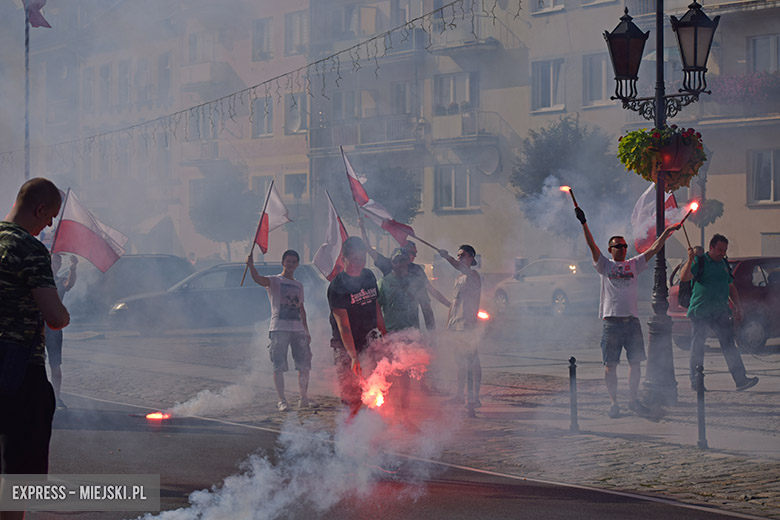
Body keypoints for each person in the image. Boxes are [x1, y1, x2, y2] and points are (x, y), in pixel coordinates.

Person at [1, 178, 70, 520]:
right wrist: (64, 313)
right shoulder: (29, 249)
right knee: (17, 475)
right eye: (51, 216)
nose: (51, 224)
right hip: (17, 371)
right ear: (40, 209)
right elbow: (55, 317)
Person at [576, 205, 680, 418]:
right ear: (610, 249)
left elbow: (654, 249)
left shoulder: (633, 264)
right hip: (612, 322)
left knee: (635, 363)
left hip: (632, 322)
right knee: (610, 365)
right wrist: (584, 222)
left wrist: (668, 232)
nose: (622, 249)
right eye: (618, 246)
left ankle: (632, 400)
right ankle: (614, 403)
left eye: (624, 246)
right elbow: (591, 245)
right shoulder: (605, 265)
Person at [680, 234, 759, 392]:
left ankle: (741, 380)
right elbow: (684, 277)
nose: (722, 253)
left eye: (724, 250)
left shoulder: (723, 263)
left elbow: (731, 286)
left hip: (720, 311)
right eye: (720, 250)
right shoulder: (700, 261)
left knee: (729, 345)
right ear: (711, 247)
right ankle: (697, 382)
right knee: (698, 347)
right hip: (700, 311)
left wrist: (738, 307)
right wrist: (689, 260)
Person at [246, 249, 316, 412]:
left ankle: (303, 397)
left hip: (298, 330)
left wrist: (306, 330)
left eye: (294, 262)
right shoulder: (275, 280)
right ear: (283, 262)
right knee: (279, 366)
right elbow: (258, 279)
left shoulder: (299, 285)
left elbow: (301, 309)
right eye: (288, 261)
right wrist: (251, 266)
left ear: (297, 265)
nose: (290, 264)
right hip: (279, 329)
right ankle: (282, 400)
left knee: (304, 365)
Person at [327, 237, 387, 417]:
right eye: (354, 259)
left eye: (362, 259)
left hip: (369, 340)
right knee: (351, 391)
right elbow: (343, 326)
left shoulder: (369, 276)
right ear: (343, 258)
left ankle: (369, 425)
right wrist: (353, 357)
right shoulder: (337, 287)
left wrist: (385, 334)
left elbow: (376, 307)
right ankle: (349, 428)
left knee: (374, 384)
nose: (358, 263)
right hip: (346, 346)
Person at [438, 244, 482, 408]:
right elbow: (454, 304)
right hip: (456, 325)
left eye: (462, 255)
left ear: (471, 258)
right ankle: (459, 395)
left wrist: (447, 257)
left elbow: (460, 267)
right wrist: (448, 325)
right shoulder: (458, 279)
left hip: (468, 325)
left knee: (472, 361)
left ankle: (474, 397)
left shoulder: (473, 275)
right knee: (460, 362)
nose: (459, 258)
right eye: (458, 256)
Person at [45, 253, 78, 410]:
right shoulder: (40, 279)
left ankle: (56, 398)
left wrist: (73, 268)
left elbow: (68, 284)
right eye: (54, 262)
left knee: (55, 364)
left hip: (54, 328)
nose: (56, 265)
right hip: (38, 327)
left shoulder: (59, 281)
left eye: (58, 263)